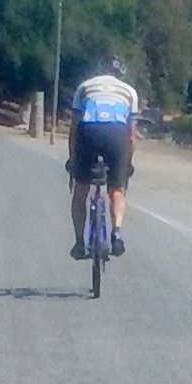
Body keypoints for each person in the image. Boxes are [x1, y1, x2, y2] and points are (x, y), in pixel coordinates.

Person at [65, 68, 142, 258]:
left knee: (81, 190)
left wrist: (73, 159)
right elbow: (132, 136)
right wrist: (127, 163)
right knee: (117, 190)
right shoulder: (129, 91)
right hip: (117, 134)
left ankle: (79, 242)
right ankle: (117, 234)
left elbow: (74, 129)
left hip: (89, 131)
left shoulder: (84, 87)